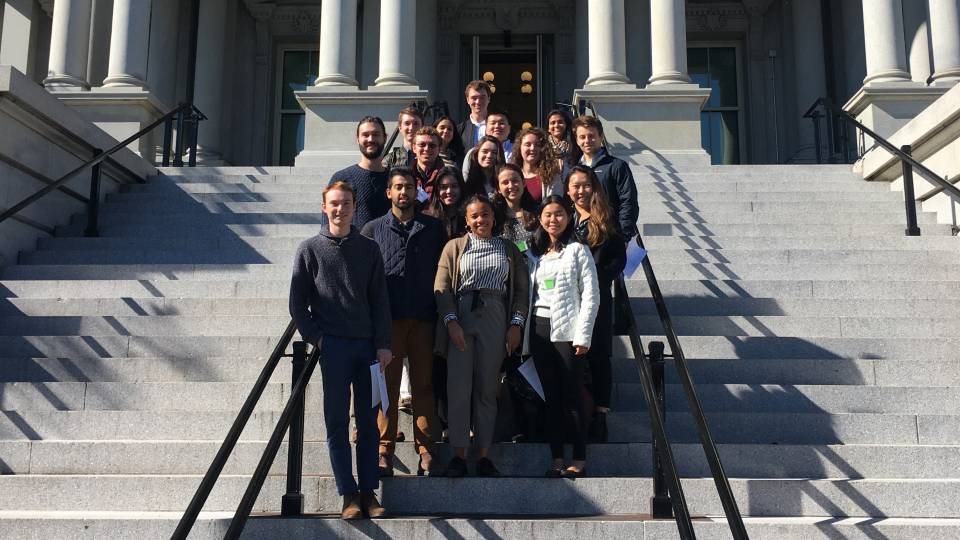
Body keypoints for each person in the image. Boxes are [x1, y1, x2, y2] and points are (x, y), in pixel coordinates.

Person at [289, 181, 391, 520]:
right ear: (324, 207)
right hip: (332, 349)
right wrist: (317, 339)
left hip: (367, 349)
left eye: (345, 203)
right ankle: (347, 494)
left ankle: (368, 493)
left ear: (353, 206)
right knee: (336, 422)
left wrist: (384, 343)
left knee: (368, 423)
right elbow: (297, 304)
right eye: (334, 203)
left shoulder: (369, 248)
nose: (339, 209)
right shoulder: (309, 249)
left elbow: (380, 300)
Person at [434, 195, 529, 477]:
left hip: (495, 314)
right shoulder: (454, 247)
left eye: (485, 215)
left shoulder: (508, 248)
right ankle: (459, 454)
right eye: (474, 216)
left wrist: (516, 324)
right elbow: (441, 285)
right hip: (461, 314)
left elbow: (522, 291)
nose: (480, 220)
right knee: (458, 387)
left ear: (493, 217)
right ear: (466, 220)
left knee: (488, 389)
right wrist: (451, 321)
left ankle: (485, 454)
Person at [361, 168, 447, 477]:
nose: (403, 192)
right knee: (387, 387)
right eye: (398, 187)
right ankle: (384, 449)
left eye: (409, 187)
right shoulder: (371, 230)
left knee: (424, 386)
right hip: (388, 321)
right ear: (388, 192)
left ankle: (426, 450)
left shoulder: (434, 228)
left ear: (417, 191)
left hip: (424, 319)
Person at [523, 195, 599, 478]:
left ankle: (579, 456)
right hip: (540, 328)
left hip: (568, 330)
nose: (553, 219)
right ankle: (556, 456)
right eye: (547, 215)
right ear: (540, 219)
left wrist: (584, 335)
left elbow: (591, 294)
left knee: (572, 395)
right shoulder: (536, 254)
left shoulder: (579, 250)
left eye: (558, 214)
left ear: (568, 218)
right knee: (551, 397)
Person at [566, 165, 627, 442]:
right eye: (575, 186)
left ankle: (600, 415)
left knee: (599, 357)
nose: (581, 191)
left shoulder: (606, 220)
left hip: (598, 298)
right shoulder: (562, 219)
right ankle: (575, 415)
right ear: (567, 190)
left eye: (586, 185)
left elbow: (618, 259)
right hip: (567, 301)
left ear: (594, 188)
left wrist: (593, 280)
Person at [571, 115, 640, 242]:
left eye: (591, 136)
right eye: (582, 137)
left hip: (610, 237)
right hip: (582, 238)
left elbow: (628, 202)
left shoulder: (617, 166)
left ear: (601, 137)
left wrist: (624, 236)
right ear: (577, 140)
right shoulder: (575, 170)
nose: (587, 140)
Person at [325, 116, 391, 229]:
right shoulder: (342, 178)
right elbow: (327, 222)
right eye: (365, 135)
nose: (370, 139)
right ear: (358, 139)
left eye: (376, 134)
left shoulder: (394, 180)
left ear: (384, 138)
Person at [511, 127, 563, 203]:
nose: (532, 148)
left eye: (537, 145)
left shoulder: (552, 176)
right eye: (528, 144)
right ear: (520, 147)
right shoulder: (512, 174)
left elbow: (556, 207)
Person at [492, 163, 537, 250]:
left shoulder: (537, 212)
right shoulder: (493, 216)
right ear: (498, 189)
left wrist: (518, 249)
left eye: (515, 181)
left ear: (523, 183)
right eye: (505, 182)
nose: (511, 186)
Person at [461, 111, 513, 178]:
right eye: (493, 123)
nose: (497, 126)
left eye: (501, 123)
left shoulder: (517, 150)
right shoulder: (474, 152)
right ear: (486, 127)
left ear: (509, 128)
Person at [423, 165, 468, 239]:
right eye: (444, 187)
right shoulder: (427, 218)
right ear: (437, 190)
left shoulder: (469, 216)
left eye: (454, 186)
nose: (449, 191)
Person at [412, 127, 445, 197]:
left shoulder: (448, 176)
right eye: (422, 145)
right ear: (414, 148)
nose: (426, 149)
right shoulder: (406, 176)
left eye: (432, 145)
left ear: (439, 148)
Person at [458, 80, 491, 149]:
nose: (478, 102)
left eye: (482, 97)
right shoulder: (460, 130)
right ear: (468, 100)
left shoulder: (498, 128)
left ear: (489, 99)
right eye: (474, 98)